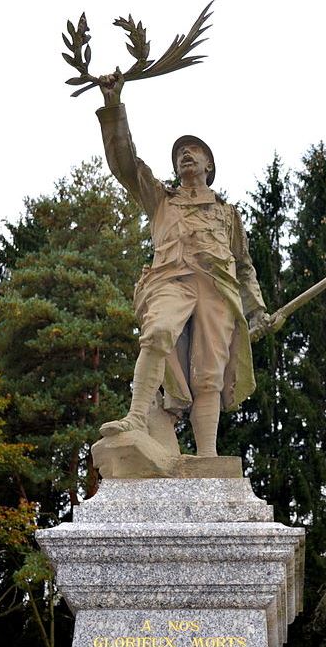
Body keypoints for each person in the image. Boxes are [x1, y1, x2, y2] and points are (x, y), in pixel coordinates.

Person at [96, 69, 269, 457]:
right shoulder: (161, 199)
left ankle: (207, 456)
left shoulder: (228, 214)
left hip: (218, 291)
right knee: (157, 333)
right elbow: (125, 164)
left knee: (207, 376)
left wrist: (256, 309)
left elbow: (243, 266)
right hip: (170, 281)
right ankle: (137, 417)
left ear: (209, 164)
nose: (185, 154)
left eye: (194, 150)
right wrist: (113, 106)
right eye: (179, 153)